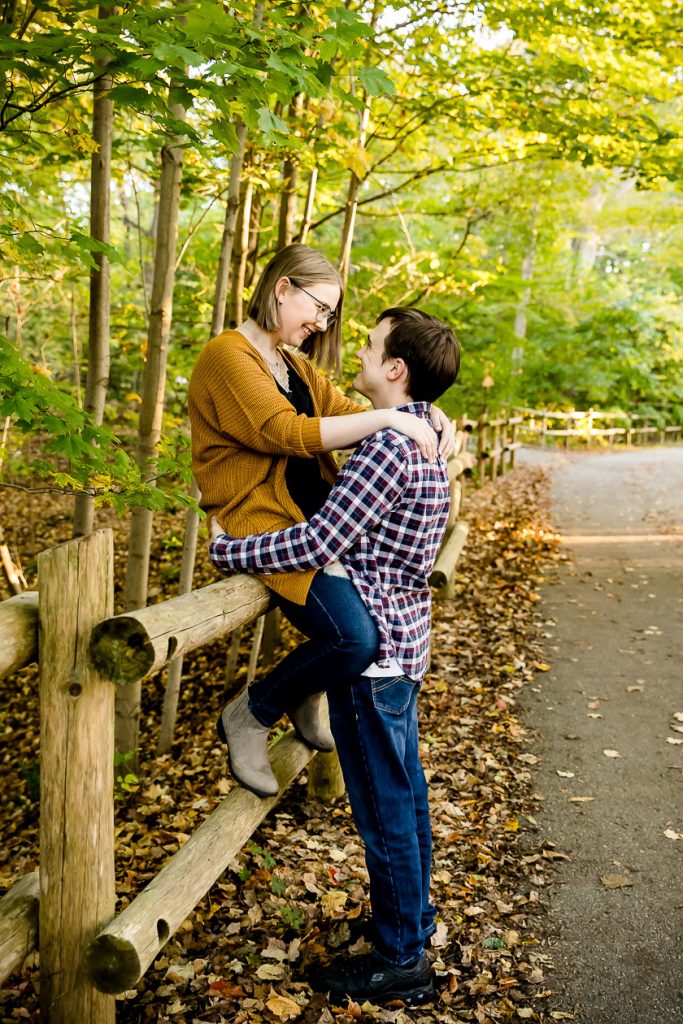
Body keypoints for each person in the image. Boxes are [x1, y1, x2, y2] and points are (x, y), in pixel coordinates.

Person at [209, 306, 460, 1006]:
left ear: (395, 369)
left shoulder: (389, 448)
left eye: (371, 345)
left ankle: (399, 961)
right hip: (405, 644)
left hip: (374, 657)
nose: (355, 352)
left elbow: (317, 544)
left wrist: (232, 549)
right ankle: (408, 926)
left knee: (385, 813)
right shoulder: (428, 440)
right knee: (405, 803)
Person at [189, 244, 455, 799]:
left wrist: (430, 413)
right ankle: (253, 713)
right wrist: (390, 417)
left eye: (331, 315)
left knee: (361, 632)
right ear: (282, 288)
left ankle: (308, 689)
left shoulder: (294, 365)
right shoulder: (227, 356)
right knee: (355, 639)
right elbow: (283, 432)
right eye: (319, 307)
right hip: (261, 522)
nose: (322, 323)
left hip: (315, 523)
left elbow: (355, 411)